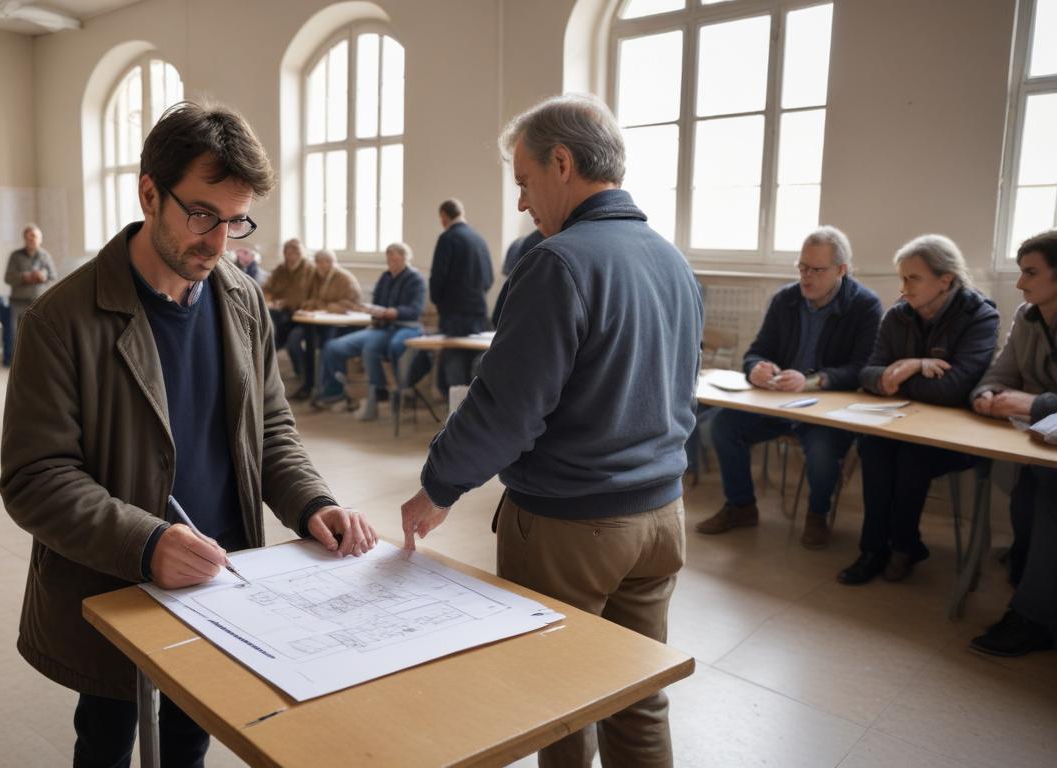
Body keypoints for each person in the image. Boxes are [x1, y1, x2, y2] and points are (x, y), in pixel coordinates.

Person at [0, 100, 378, 768]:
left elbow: (271, 430)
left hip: (221, 579)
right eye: (202, 215)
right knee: (110, 735)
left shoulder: (242, 298)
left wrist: (312, 504)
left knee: (187, 738)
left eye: (236, 222)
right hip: (113, 580)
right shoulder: (63, 318)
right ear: (149, 192)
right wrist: (145, 543)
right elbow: (37, 479)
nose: (219, 242)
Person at [400, 94, 702, 768]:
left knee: (558, 701)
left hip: (574, 526)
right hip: (660, 515)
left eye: (524, 181)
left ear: (561, 163)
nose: (521, 203)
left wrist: (437, 485)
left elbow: (506, 406)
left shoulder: (557, 262)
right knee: (638, 694)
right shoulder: (671, 259)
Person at [696, 226, 883, 549]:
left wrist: (811, 381)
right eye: (802, 267)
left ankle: (817, 514)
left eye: (817, 269)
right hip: (777, 403)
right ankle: (741, 506)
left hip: (825, 409)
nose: (806, 277)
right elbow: (756, 350)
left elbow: (861, 369)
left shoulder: (865, 306)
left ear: (841, 270)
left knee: (823, 451)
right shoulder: (785, 299)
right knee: (722, 427)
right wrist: (756, 368)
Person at [837, 235, 999, 585]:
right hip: (901, 425)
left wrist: (903, 371)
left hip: (956, 436)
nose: (903, 287)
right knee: (873, 447)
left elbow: (955, 389)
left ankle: (903, 548)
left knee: (912, 457)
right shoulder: (898, 315)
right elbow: (870, 374)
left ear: (946, 280)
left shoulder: (980, 316)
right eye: (902, 277)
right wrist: (916, 365)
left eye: (913, 278)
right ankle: (874, 549)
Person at [969, 229, 1057, 656]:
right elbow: (998, 373)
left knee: (1046, 493)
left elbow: (1030, 398)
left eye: (1030, 272)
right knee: (1026, 493)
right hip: (1039, 446)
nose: (1020, 283)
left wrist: (1034, 402)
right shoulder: (1027, 316)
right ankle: (1029, 574)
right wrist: (985, 395)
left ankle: (1031, 619)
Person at [315, 242, 426, 419]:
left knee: (370, 348)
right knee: (332, 347)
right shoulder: (385, 277)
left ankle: (377, 397)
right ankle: (335, 394)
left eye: (396, 259)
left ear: (405, 258)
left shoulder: (416, 279)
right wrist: (368, 309)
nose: (392, 262)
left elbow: (415, 310)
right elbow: (377, 303)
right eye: (389, 258)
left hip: (401, 326)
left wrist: (394, 312)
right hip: (379, 327)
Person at [427, 198, 493, 395]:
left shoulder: (447, 238)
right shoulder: (479, 238)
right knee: (473, 362)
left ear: (444, 217)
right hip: (478, 310)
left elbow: (438, 276)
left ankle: (455, 412)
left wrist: (438, 301)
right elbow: (488, 277)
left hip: (454, 312)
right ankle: (471, 410)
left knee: (455, 361)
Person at [286, 248, 362, 401]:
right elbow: (304, 299)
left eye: (326, 262)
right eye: (319, 262)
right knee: (293, 340)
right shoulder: (313, 276)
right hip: (313, 321)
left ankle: (320, 386)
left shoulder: (344, 278)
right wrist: (310, 305)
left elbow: (353, 302)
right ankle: (307, 381)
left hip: (336, 324)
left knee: (324, 345)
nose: (323, 265)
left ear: (333, 262)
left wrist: (328, 306)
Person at [4, 223, 58, 348]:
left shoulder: (46, 256)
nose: (32, 239)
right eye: (29, 237)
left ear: (40, 239)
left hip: (39, 303)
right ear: (24, 239)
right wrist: (25, 277)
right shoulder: (15, 256)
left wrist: (43, 278)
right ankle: (17, 366)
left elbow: (54, 278)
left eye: (34, 236)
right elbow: (8, 278)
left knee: (39, 335)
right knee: (17, 336)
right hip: (18, 303)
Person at [264, 237, 315, 361]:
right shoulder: (280, 270)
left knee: (292, 341)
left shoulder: (310, 270)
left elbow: (311, 295)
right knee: (268, 328)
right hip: (281, 313)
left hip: (302, 314)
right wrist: (270, 301)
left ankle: (303, 370)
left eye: (296, 253)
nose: (292, 257)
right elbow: (267, 289)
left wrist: (286, 302)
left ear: (301, 254)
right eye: (288, 253)